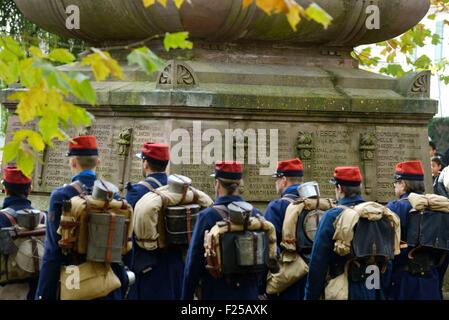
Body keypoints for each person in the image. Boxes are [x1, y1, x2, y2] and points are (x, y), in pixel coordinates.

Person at [35, 136, 129, 300]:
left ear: (72, 162)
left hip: (75, 285)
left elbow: (52, 251)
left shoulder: (61, 196)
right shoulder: (113, 195)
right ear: (98, 162)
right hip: (109, 284)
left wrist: (43, 294)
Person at [305, 166, 393, 300]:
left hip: (341, 289)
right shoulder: (376, 214)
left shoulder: (332, 216)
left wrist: (310, 296)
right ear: (360, 187)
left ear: (339, 188)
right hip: (371, 286)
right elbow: (386, 260)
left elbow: (318, 263)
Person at [182, 161, 265, 300]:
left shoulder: (207, 216)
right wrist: (259, 289)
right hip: (249, 293)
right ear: (239, 184)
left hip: (216, 292)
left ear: (217, 183)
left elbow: (193, 265)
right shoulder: (256, 214)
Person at [125, 142, 185, 300]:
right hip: (176, 268)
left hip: (147, 270)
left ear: (145, 163)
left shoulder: (135, 192)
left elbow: (127, 235)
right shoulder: (180, 192)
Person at [387, 160, 449, 300]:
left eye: (395, 183)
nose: (394, 187)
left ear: (402, 184)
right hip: (431, 280)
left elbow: (388, 252)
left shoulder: (395, 207)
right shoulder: (438, 207)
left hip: (402, 282)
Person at [264, 158, 306, 299]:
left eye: (277, 179)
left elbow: (269, 248)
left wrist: (261, 288)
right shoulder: (315, 205)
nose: (276, 183)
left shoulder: (276, 207)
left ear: (284, 180)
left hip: (285, 283)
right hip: (310, 281)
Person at [0, 166, 43, 300]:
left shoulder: (1, 218)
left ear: (4, 189)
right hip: (35, 290)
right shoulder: (44, 217)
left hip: (5, 290)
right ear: (30, 189)